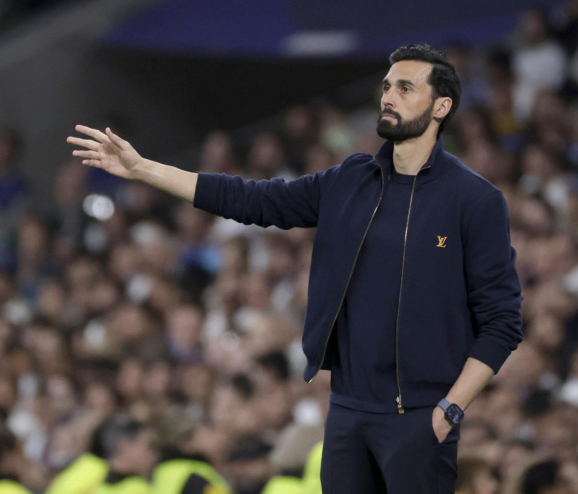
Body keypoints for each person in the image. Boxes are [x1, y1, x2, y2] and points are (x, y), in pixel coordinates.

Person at [68, 44, 523, 493]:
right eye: (386, 86)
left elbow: (502, 321)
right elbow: (251, 200)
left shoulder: (475, 201)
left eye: (405, 88)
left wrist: (451, 410)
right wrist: (144, 169)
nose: (388, 96)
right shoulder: (349, 180)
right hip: (346, 411)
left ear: (441, 105)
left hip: (421, 418)